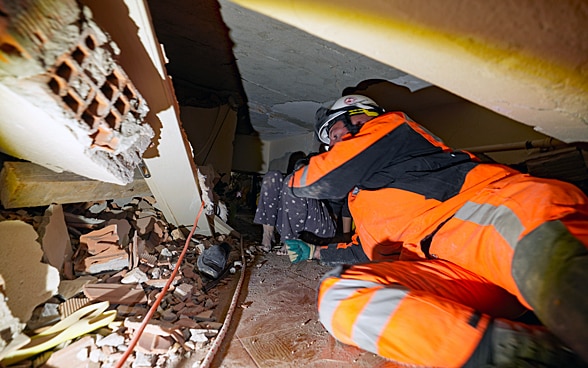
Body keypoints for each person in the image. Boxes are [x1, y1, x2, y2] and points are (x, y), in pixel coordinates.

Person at [285, 94, 588, 367]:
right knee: (339, 298)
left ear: (363, 116)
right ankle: (524, 355)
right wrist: (314, 251)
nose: (340, 141)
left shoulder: (392, 127)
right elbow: (365, 249)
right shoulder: (360, 199)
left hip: (490, 217)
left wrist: (291, 177)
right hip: (452, 271)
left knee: (564, 281)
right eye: (333, 139)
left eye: (341, 131)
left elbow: (315, 180)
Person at [253, 150, 351, 254]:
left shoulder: (334, 180)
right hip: (290, 225)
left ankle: (290, 241)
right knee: (272, 176)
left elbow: (347, 210)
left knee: (293, 182)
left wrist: (346, 239)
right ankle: (267, 237)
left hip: (320, 230)